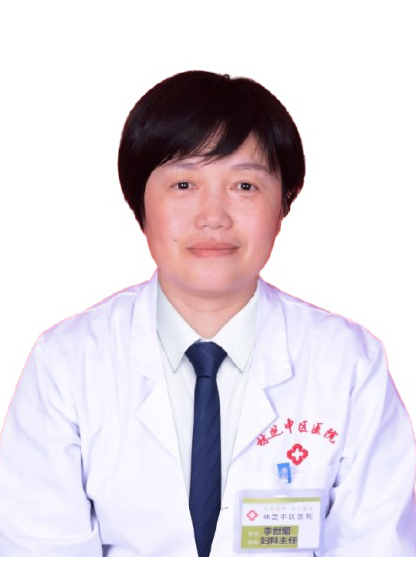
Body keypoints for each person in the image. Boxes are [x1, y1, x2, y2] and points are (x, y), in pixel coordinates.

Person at [0, 70, 415, 557]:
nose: (213, 216)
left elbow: (378, 548)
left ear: (282, 206)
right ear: (140, 205)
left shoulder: (348, 363)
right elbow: (40, 550)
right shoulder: (66, 364)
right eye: (183, 184)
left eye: (244, 185)